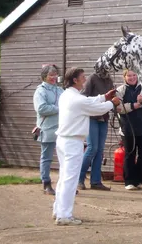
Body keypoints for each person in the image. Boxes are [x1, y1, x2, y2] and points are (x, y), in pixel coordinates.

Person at [53, 67, 120, 226]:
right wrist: (111, 103)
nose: (85, 79)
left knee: (64, 178)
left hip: (64, 140)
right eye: (82, 77)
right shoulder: (77, 99)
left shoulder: (67, 95)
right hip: (72, 142)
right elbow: (96, 108)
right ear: (75, 80)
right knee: (70, 179)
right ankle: (64, 215)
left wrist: (104, 96)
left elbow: (89, 102)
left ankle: (58, 210)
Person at [78, 71, 114, 191]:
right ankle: (79, 179)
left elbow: (111, 97)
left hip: (103, 118)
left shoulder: (109, 80)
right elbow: (84, 97)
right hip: (91, 118)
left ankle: (96, 181)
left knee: (100, 150)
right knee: (92, 148)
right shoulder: (92, 78)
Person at [116, 69, 142, 191]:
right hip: (128, 127)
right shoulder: (120, 90)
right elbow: (118, 108)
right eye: (129, 75)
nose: (132, 77)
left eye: (134, 75)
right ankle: (129, 181)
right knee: (130, 154)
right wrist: (133, 106)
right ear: (124, 77)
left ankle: (139, 179)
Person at [33, 64, 64, 195]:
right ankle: (46, 183)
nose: (53, 77)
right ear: (44, 76)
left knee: (64, 157)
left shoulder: (60, 90)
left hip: (62, 128)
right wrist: (59, 109)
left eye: (55, 74)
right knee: (46, 157)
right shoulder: (40, 91)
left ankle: (64, 186)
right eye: (50, 75)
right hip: (47, 128)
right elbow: (41, 108)